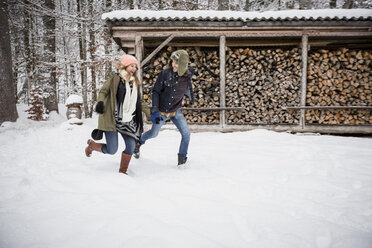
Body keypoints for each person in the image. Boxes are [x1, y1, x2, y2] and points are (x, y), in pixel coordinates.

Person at [85, 54, 149, 174]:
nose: (134, 69)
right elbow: (103, 91)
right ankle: (92, 146)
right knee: (112, 149)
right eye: (131, 66)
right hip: (113, 119)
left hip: (127, 120)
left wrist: (149, 114)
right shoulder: (114, 78)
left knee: (131, 145)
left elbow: (139, 101)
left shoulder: (134, 82)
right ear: (125, 66)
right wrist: (100, 102)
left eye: (135, 66)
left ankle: (122, 171)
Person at [134, 49, 194, 167]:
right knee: (153, 133)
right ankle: (138, 142)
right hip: (162, 111)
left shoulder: (188, 75)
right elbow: (156, 91)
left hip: (176, 110)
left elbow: (189, 84)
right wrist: (155, 110)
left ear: (182, 64)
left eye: (176, 63)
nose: (173, 64)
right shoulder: (165, 74)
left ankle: (182, 159)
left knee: (186, 134)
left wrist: (191, 97)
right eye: (172, 62)